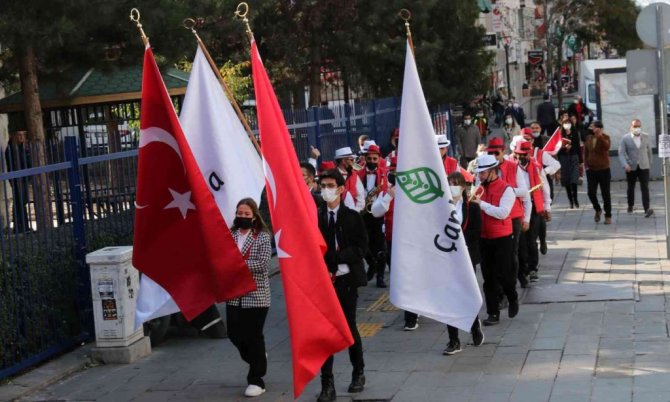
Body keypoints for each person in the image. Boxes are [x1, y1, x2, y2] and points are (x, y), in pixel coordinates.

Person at [317, 169, 368, 401]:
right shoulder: (316, 216)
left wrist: (337, 259)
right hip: (323, 282)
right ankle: (327, 383)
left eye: (330, 186)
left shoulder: (352, 217)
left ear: (340, 189)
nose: (326, 190)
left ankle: (358, 372)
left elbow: (361, 248)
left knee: (348, 327)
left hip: (346, 280)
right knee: (324, 332)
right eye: (322, 186)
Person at [227, 198, 273, 398]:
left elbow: (263, 264)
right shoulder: (229, 235)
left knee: (253, 335)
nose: (242, 216)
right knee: (234, 334)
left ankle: (256, 380)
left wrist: (237, 264)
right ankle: (258, 358)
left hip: (256, 294)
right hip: (234, 294)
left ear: (254, 216)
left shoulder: (262, 237)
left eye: (246, 214)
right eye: (240, 213)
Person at [470, 154, 519, 326]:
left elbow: (503, 213)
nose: (480, 176)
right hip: (484, 237)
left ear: (492, 171)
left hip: (502, 237)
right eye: (479, 173)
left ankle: (512, 297)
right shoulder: (479, 187)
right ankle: (493, 312)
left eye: (483, 173)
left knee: (505, 274)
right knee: (488, 277)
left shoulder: (507, 189)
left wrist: (481, 204)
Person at [442, 172, 485, 355]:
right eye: (449, 183)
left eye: (455, 183)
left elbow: (476, 231)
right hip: (448, 258)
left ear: (463, 187)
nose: (452, 187)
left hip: (467, 257)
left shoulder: (472, 207)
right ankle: (453, 340)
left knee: (467, 294)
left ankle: (474, 326)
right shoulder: (442, 208)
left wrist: (460, 240)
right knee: (449, 298)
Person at [487, 137, 531, 289]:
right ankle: (500, 286)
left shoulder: (513, 167)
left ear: (503, 151)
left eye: (496, 153)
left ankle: (515, 281)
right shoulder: (485, 168)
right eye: (491, 153)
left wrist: (507, 191)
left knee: (512, 252)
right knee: (496, 254)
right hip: (492, 216)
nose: (494, 156)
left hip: (512, 216)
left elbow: (524, 191)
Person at [513, 141, 550, 283]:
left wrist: (547, 206)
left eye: (524, 154)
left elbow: (545, 187)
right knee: (521, 242)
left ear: (529, 154)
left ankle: (533, 268)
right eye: (519, 154)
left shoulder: (536, 167)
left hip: (534, 206)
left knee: (531, 240)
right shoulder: (512, 167)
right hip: (518, 206)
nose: (521, 157)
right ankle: (524, 268)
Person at [357, 144, 389, 288]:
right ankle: (371, 264)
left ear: (379, 159)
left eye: (374, 159)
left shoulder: (384, 174)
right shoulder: (358, 174)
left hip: (378, 214)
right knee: (363, 244)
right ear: (365, 158)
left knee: (380, 247)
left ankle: (380, 277)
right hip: (363, 213)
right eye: (369, 158)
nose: (371, 161)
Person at [619, 119, 654, 217]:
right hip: (631, 167)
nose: (637, 128)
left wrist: (649, 164)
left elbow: (649, 151)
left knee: (645, 187)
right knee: (631, 187)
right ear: (631, 127)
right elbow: (621, 153)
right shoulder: (625, 138)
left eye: (638, 126)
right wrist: (625, 164)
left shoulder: (645, 136)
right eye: (635, 126)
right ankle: (630, 205)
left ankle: (647, 208)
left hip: (644, 166)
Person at [584, 121, 612, 224]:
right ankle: (598, 209)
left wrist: (600, 136)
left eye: (594, 127)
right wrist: (585, 163)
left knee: (605, 193)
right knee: (591, 192)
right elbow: (586, 152)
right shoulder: (589, 138)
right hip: (591, 170)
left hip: (604, 169)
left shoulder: (606, 137)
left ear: (600, 128)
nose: (592, 129)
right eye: (592, 127)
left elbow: (607, 147)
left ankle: (608, 215)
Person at [5, 130, 31, 233]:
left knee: (22, 202)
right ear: (14, 136)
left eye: (23, 135)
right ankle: (21, 227)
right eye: (19, 135)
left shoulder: (22, 148)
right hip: (17, 179)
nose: (22, 137)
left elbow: (27, 163)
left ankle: (22, 226)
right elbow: (14, 164)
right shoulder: (11, 148)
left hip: (23, 178)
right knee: (19, 202)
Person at [557, 116, 582, 209]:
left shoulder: (575, 133)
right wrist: (563, 147)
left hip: (574, 157)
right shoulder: (560, 134)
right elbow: (557, 148)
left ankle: (575, 198)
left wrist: (581, 160)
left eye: (568, 123)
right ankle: (570, 200)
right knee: (566, 180)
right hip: (564, 158)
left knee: (574, 179)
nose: (567, 125)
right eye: (565, 123)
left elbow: (578, 147)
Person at [334, 147, 365, 212]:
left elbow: (361, 198)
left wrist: (354, 212)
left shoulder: (355, 176)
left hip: (353, 212)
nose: (353, 163)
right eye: (351, 160)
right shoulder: (332, 175)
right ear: (343, 161)